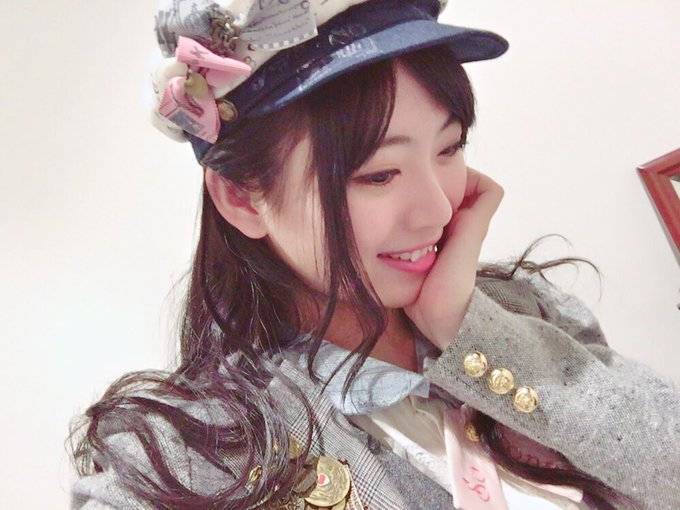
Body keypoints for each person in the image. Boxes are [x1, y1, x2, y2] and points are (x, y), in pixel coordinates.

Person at [69, 0, 680, 508]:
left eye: (449, 148)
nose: (438, 209)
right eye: (379, 174)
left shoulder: (527, 312)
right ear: (240, 196)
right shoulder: (186, 460)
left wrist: (470, 331)